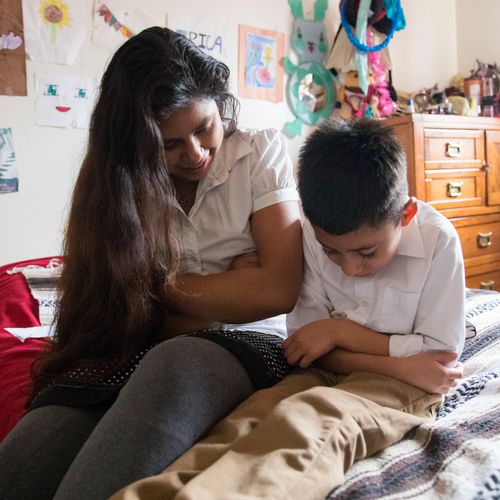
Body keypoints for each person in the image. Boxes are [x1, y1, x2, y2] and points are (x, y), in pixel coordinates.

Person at [0, 27, 303, 500]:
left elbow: (279, 290)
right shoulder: (116, 184)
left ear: (220, 106)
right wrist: (228, 286)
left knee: (175, 359)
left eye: (204, 127)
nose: (197, 153)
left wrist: (157, 288)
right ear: (137, 144)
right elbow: (112, 307)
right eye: (170, 144)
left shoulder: (259, 151)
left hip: (249, 340)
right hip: (135, 341)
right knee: (42, 440)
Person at [110, 119, 466, 500]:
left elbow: (436, 359)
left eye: (367, 252)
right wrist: (349, 341)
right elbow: (306, 347)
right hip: (334, 367)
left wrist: (338, 332)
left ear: (406, 215)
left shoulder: (438, 241)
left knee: (313, 425)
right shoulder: (311, 235)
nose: (350, 268)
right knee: (248, 420)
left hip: (399, 382)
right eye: (332, 252)